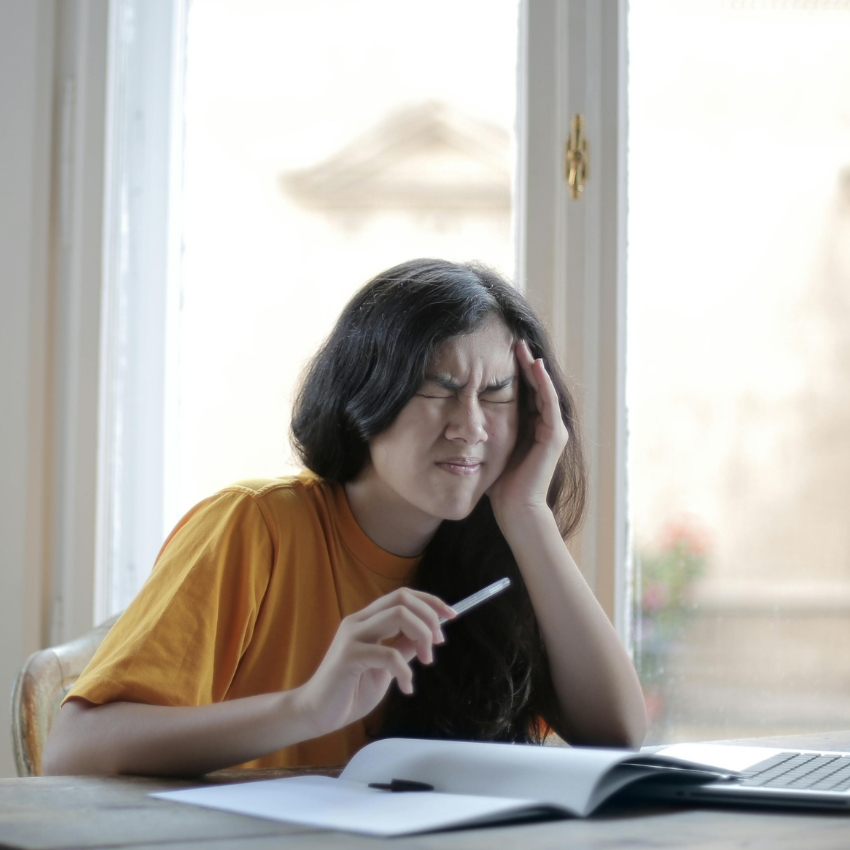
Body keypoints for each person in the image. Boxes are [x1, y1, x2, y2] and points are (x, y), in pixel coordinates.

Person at [43, 259, 646, 776]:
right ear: (367, 394)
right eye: (437, 389)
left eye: (497, 394)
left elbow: (616, 732)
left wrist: (526, 510)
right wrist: (306, 708)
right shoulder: (254, 526)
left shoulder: (498, 549)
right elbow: (72, 752)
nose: (471, 426)